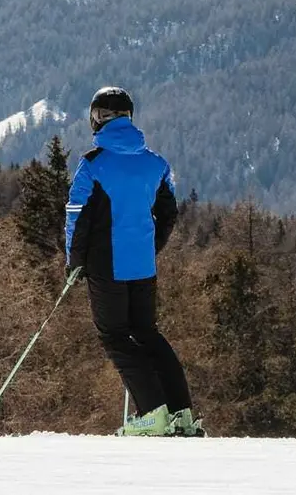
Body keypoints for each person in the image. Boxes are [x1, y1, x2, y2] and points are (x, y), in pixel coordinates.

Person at [64, 86, 201, 437]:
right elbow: (169, 213)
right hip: (142, 264)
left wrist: (74, 262)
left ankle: (153, 414)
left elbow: (76, 216)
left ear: (97, 119)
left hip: (106, 266)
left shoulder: (93, 164)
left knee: (115, 337)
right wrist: (149, 246)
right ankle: (181, 413)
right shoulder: (155, 163)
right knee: (147, 334)